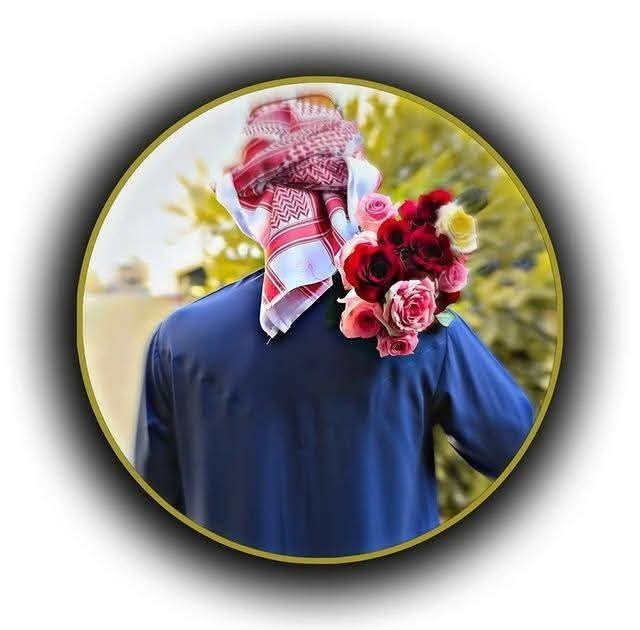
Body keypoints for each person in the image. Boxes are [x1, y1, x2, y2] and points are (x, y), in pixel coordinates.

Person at [135, 96, 533, 557]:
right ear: (353, 187)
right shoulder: (422, 320)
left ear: (258, 203)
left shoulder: (178, 339)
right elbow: (517, 446)